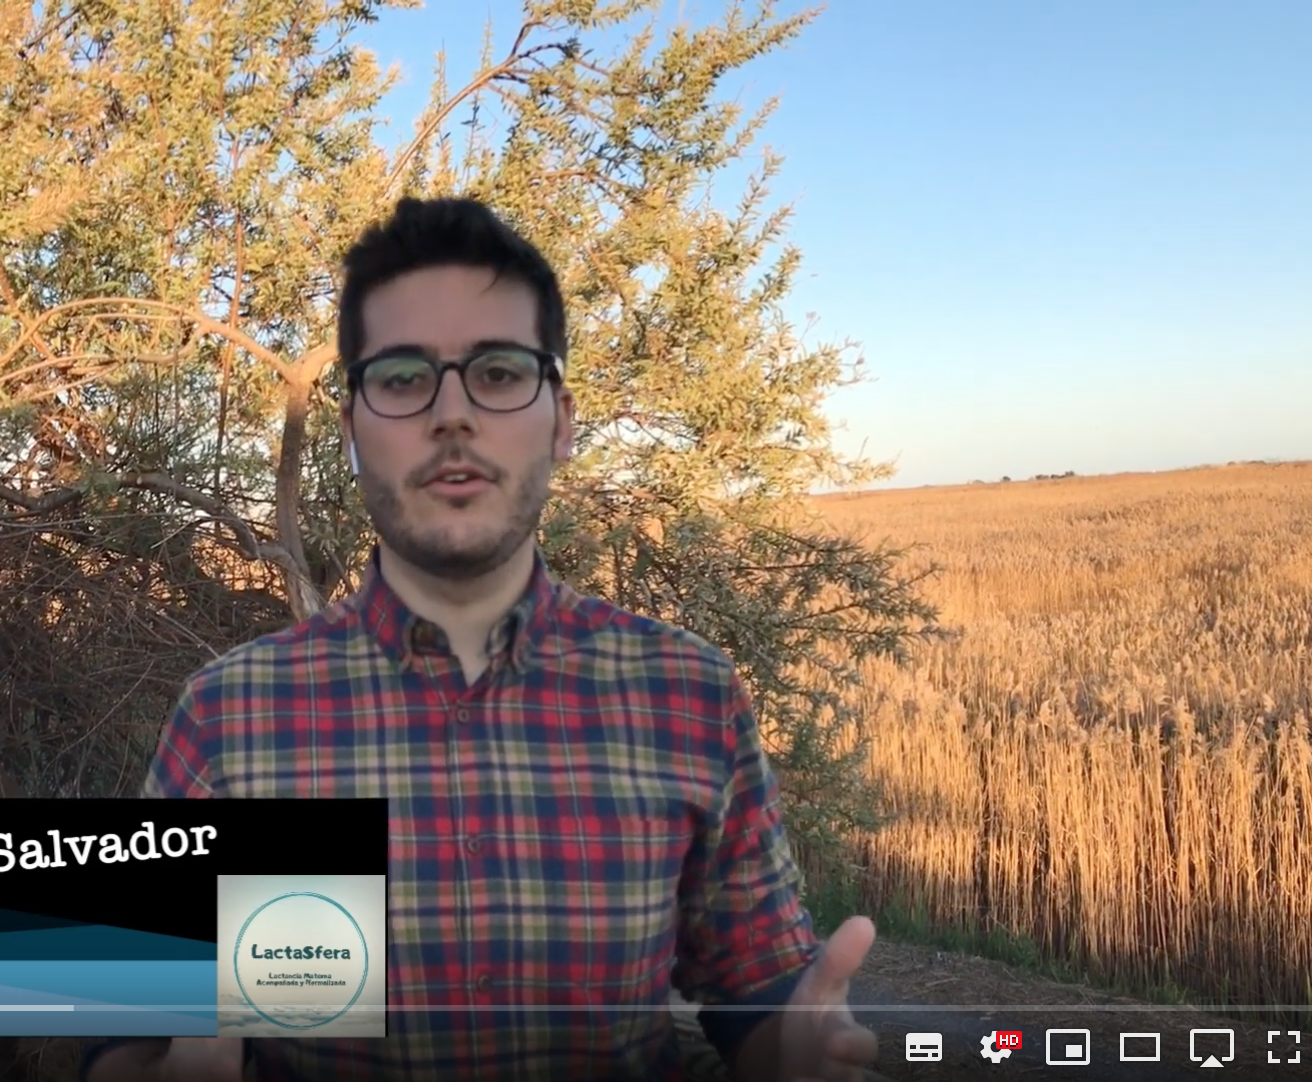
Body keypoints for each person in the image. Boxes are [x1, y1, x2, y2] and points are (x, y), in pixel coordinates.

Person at [81, 196, 880, 1082]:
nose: (452, 414)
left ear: (562, 421)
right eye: (402, 378)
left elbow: (757, 994)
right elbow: (126, 1033)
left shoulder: (689, 695)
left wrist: (795, 1051)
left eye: (498, 372)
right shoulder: (233, 718)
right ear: (351, 433)